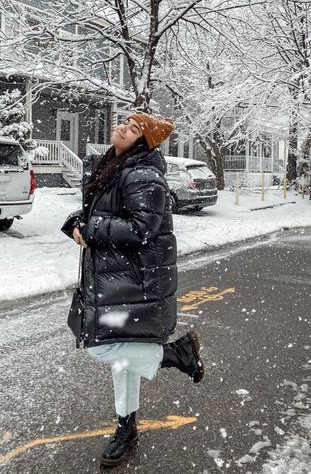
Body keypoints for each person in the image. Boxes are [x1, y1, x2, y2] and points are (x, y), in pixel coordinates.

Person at [61, 113, 204, 468]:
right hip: (115, 280)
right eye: (125, 122)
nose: (123, 128)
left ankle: (177, 355)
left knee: (104, 348)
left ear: (144, 142)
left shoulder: (143, 174)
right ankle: (127, 427)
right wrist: (77, 223)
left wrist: (91, 228)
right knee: (121, 359)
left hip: (135, 283)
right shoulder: (115, 165)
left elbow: (141, 228)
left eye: (135, 129)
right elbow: (102, 212)